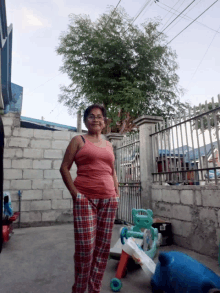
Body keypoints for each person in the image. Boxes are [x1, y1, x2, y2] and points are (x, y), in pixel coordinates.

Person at [60, 104, 120, 293]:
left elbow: (112, 171)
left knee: (102, 250)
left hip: (108, 200)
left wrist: (116, 194)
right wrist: (76, 195)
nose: (96, 119)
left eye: (100, 116)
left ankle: (94, 289)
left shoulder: (109, 144)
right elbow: (64, 168)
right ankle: (79, 288)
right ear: (86, 120)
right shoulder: (78, 140)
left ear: (104, 122)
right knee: (86, 249)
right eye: (91, 116)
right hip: (85, 199)